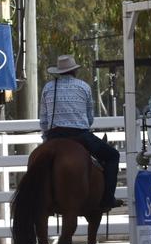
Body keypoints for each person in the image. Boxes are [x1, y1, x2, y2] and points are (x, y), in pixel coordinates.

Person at [39, 54, 122, 211]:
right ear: (74, 71)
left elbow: (43, 121)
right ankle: (107, 199)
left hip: (54, 135)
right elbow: (89, 119)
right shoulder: (84, 87)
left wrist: (46, 137)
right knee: (113, 156)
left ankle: (36, 200)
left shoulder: (48, 88)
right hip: (79, 136)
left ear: (58, 72)